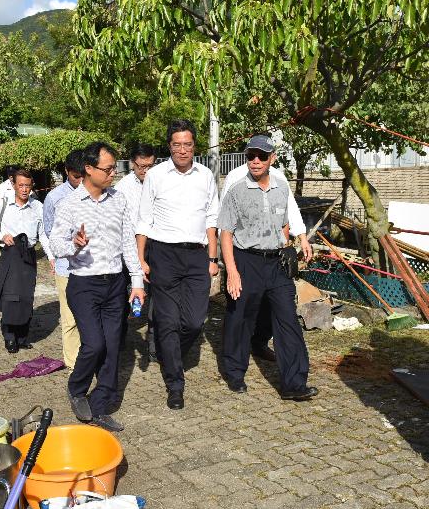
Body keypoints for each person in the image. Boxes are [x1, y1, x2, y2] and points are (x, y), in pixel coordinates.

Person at [49, 142, 145, 433]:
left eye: (115, 167)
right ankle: (77, 388)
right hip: (84, 285)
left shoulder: (118, 200)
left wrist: (137, 281)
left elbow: (128, 241)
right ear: (88, 169)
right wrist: (74, 246)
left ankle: (100, 405)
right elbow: (54, 244)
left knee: (113, 347)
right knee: (94, 344)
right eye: (107, 169)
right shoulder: (69, 205)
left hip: (114, 283)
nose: (112, 173)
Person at [219, 134, 317, 400]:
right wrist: (233, 272)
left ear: (272, 158)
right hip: (245, 260)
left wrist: (287, 244)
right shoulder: (236, 190)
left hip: (275, 262)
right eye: (251, 155)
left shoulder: (282, 188)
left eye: (262, 156)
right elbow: (225, 233)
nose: (256, 161)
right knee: (240, 316)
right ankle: (235, 372)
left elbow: (284, 222)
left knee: (287, 319)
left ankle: (294, 384)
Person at [135, 119, 219, 410]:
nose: (182, 150)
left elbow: (211, 218)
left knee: (195, 322)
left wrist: (212, 258)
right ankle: (175, 383)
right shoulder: (156, 175)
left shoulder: (206, 175)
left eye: (187, 144)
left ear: (194, 146)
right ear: (169, 146)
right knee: (168, 321)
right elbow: (144, 219)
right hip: (164, 256)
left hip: (197, 256)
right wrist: (141, 260)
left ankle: (169, 353)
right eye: (176, 144)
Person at [0, 169, 54, 353]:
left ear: (32, 186)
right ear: (13, 184)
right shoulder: (3, 204)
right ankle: (9, 337)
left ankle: (22, 336)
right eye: (21, 185)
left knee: (26, 296)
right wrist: (1, 236)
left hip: (29, 255)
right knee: (11, 297)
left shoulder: (37, 206)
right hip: (10, 254)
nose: (24, 189)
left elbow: (43, 235)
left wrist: (51, 257)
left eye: (27, 185)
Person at [42, 149, 84, 368]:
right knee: (69, 320)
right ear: (67, 172)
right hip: (66, 268)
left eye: (83, 175)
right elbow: (50, 232)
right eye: (76, 176)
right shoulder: (55, 198)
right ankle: (73, 365)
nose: (80, 181)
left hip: (90, 267)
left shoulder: (96, 193)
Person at [114, 143, 156, 352]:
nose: (145, 171)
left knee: (157, 297)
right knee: (123, 295)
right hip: (129, 247)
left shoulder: (160, 181)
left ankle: (155, 344)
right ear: (133, 164)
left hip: (155, 246)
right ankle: (119, 339)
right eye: (141, 166)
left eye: (149, 165)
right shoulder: (122, 188)